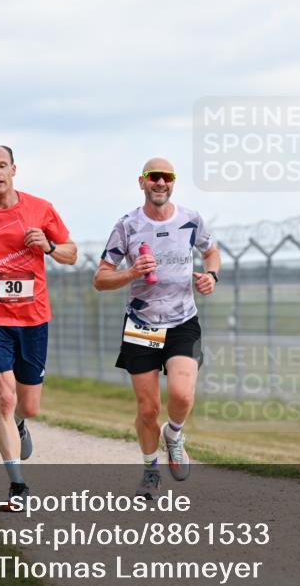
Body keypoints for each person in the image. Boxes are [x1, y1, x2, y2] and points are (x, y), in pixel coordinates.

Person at [0, 143, 77, 507]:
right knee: (4, 397)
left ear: (14, 169)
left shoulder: (40, 208)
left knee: (28, 405)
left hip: (33, 316)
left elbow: (71, 253)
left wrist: (49, 248)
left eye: (2, 165)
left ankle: (21, 423)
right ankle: (17, 485)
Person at [93, 156, 220, 501]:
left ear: (173, 182)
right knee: (147, 408)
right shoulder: (128, 226)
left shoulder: (191, 219)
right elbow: (100, 279)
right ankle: (150, 471)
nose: (160, 183)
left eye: (167, 177)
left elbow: (212, 253)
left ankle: (175, 434)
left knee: (181, 395)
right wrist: (131, 273)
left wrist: (211, 276)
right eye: (154, 177)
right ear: (142, 182)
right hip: (141, 324)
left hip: (182, 321)